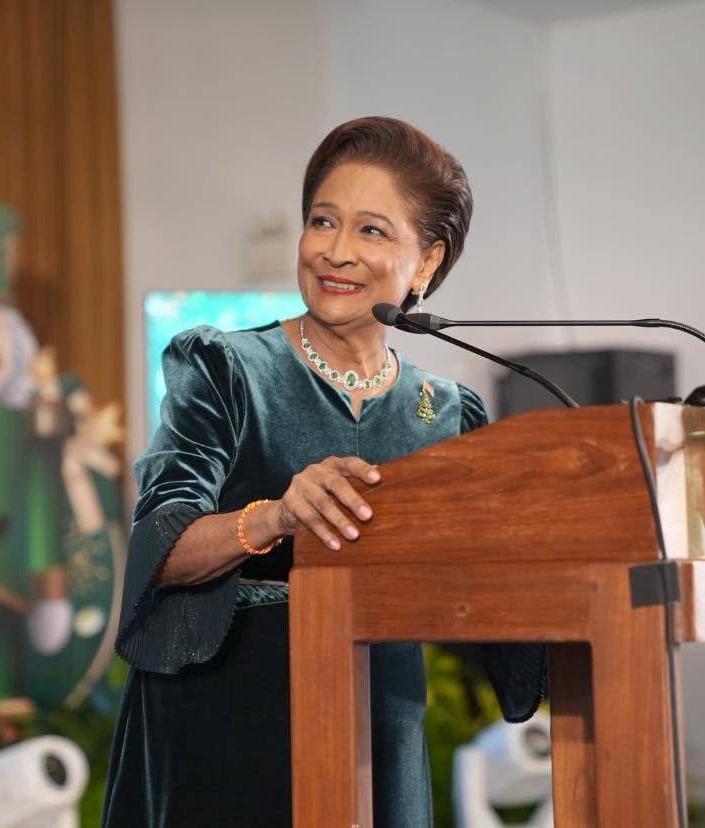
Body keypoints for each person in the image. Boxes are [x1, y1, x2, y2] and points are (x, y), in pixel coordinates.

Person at [102, 116, 545, 828]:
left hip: (381, 727)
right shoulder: (228, 370)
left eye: (371, 230)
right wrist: (276, 516)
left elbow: (489, 593)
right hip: (223, 727)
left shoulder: (445, 413)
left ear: (426, 262)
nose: (335, 251)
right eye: (322, 221)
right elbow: (161, 546)